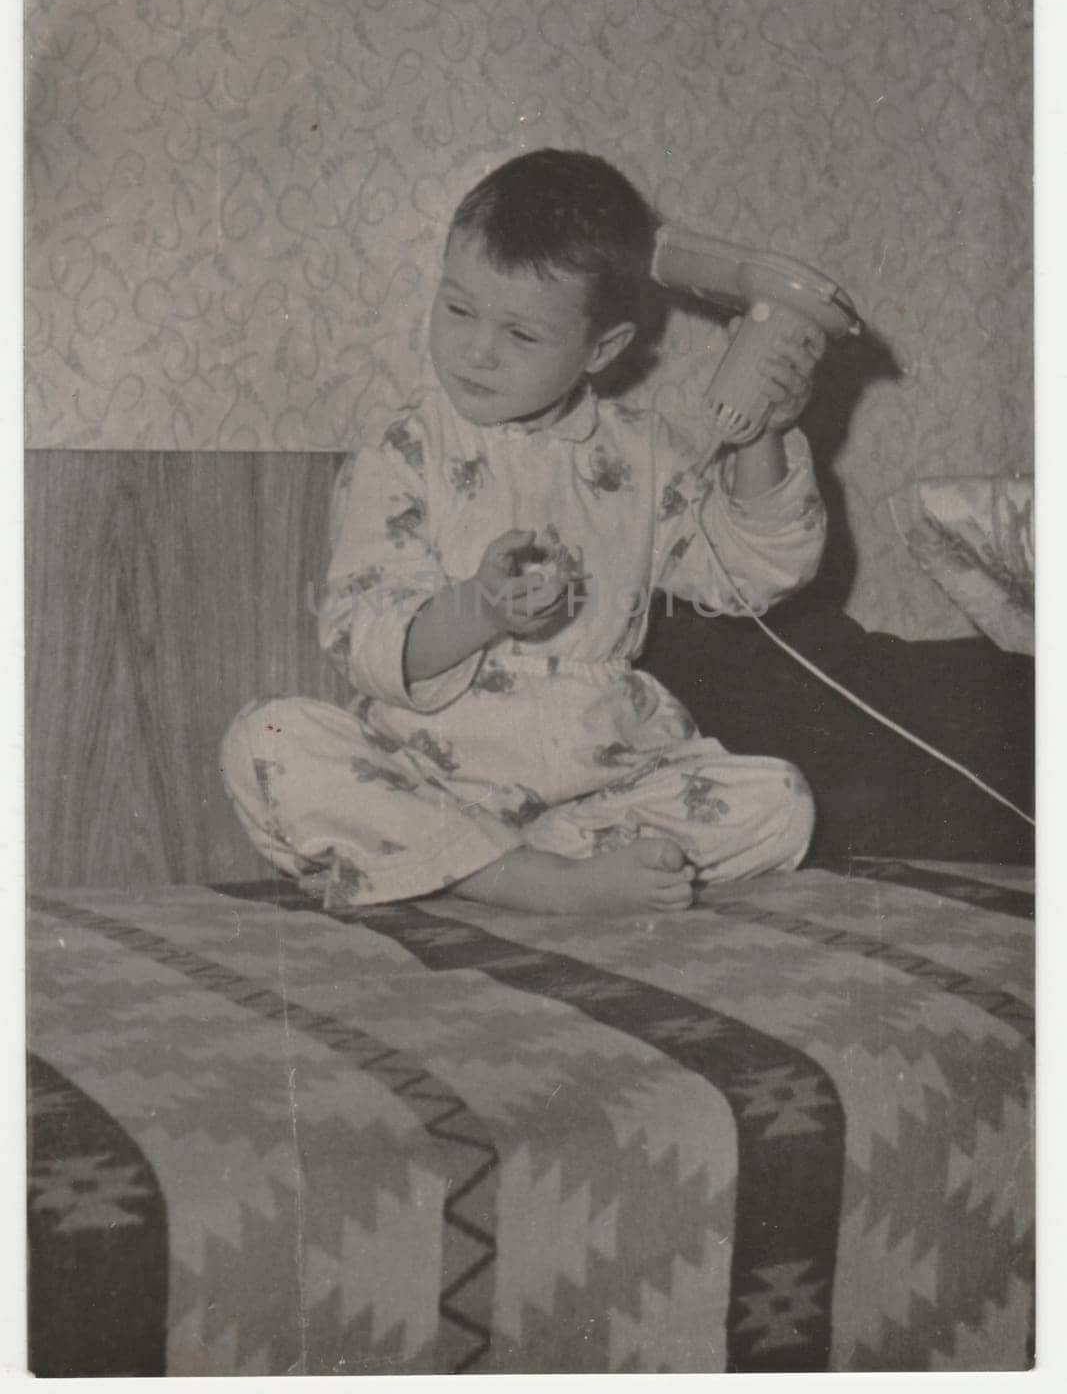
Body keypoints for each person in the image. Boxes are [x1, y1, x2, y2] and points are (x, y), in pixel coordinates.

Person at [221, 149, 829, 915]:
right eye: (458, 309)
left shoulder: (643, 453)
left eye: (520, 335)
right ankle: (517, 880)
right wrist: (478, 609)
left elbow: (751, 574)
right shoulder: (406, 451)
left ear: (601, 350)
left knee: (779, 800)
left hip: (597, 777)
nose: (476, 350)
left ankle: (529, 862)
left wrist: (758, 434)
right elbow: (365, 639)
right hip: (433, 773)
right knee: (269, 740)